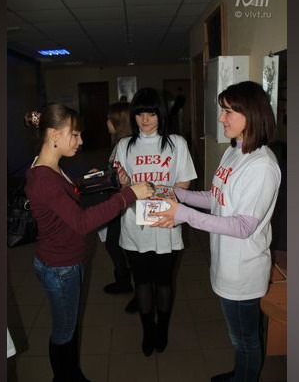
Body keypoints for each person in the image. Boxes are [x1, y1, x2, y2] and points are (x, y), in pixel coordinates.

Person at [151, 81, 281, 382]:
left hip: (243, 271)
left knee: (245, 340)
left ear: (251, 114)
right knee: (241, 337)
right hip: (226, 263)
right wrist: (178, 194)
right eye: (221, 110)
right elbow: (216, 197)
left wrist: (182, 214)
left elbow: (243, 226)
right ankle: (240, 373)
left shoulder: (261, 166)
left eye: (228, 112)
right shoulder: (234, 151)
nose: (221, 118)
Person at [23, 105, 154, 382]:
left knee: (67, 328)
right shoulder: (45, 178)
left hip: (60, 261)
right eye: (75, 134)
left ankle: (72, 375)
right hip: (60, 267)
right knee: (64, 331)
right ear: (54, 135)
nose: (80, 140)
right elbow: (82, 222)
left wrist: (102, 180)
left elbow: (68, 195)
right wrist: (127, 195)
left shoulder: (47, 166)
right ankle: (66, 378)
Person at [112, 88, 197, 356]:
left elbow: (184, 181)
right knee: (142, 282)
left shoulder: (176, 143)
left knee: (163, 281)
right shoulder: (124, 145)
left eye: (151, 113)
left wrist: (163, 201)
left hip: (165, 223)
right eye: (140, 114)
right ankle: (148, 329)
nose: (145, 120)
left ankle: (163, 328)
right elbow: (120, 187)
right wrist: (123, 183)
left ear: (161, 114)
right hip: (134, 225)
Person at [99, 101, 134, 295]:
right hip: (120, 201)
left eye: (109, 118)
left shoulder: (125, 144)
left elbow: (123, 178)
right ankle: (124, 280)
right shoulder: (121, 143)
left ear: (118, 122)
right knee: (115, 243)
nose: (106, 121)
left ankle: (126, 282)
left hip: (124, 203)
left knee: (115, 243)